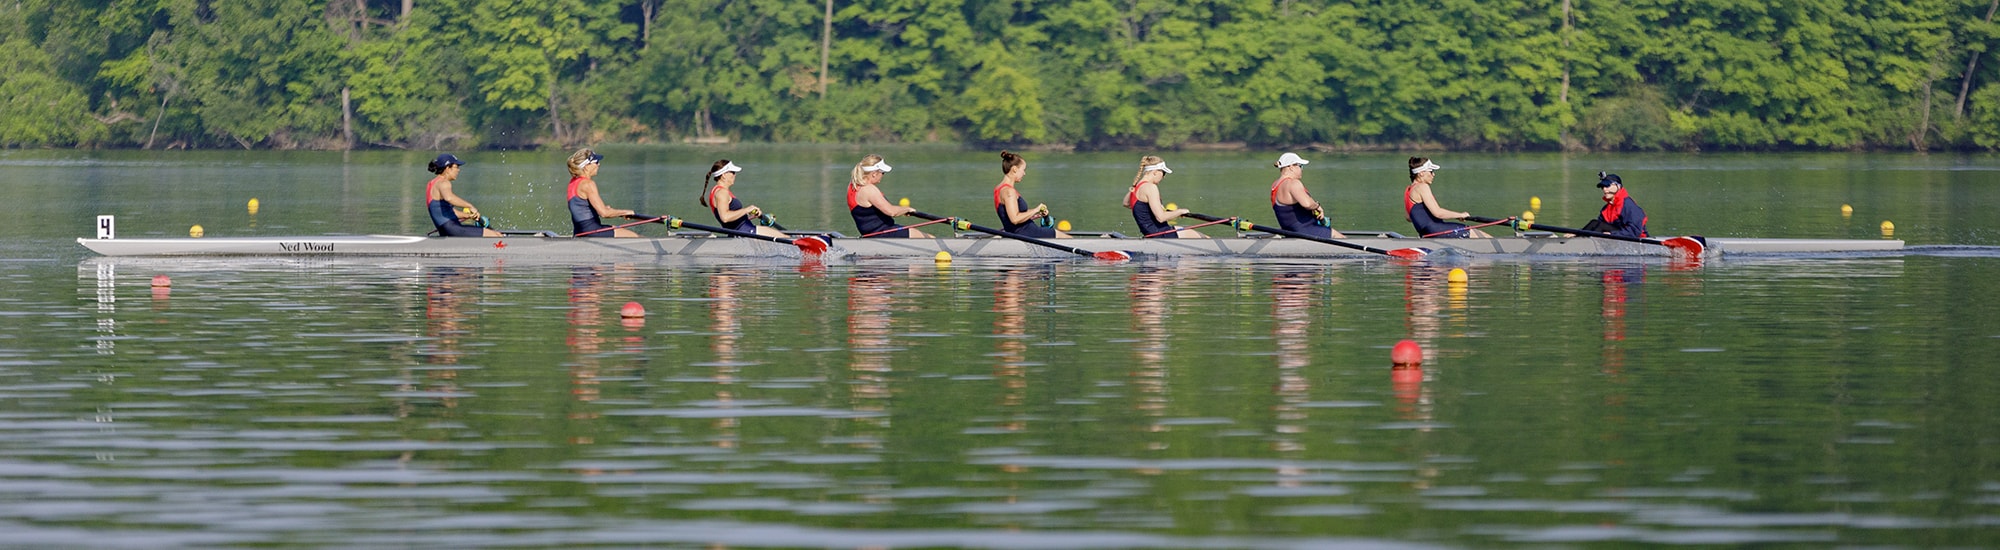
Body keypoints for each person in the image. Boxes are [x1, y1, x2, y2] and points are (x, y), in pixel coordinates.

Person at [1403, 156, 1491, 239]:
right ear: (1421, 173)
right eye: (1431, 171)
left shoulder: (1408, 190)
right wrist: (1460, 215)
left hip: (1425, 233)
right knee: (1482, 236)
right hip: (1437, 230)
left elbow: (1409, 217)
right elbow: (1438, 213)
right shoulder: (1422, 187)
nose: (1433, 175)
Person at [699, 160, 789, 239]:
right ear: (724, 175)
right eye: (733, 172)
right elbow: (725, 218)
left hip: (744, 229)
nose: (735, 175)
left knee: (785, 236)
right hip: (744, 232)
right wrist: (747, 209)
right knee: (786, 238)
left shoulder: (718, 191)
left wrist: (749, 216)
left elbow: (732, 220)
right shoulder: (721, 193)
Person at [847, 154, 931, 238]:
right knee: (929, 238)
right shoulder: (869, 190)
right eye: (882, 173)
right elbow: (891, 212)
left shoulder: (852, 186)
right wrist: (907, 209)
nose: (883, 176)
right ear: (874, 174)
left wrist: (902, 210)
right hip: (883, 233)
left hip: (871, 233)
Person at [1123, 155, 1205, 238]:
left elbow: (1126, 203)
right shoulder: (1151, 187)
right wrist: (1180, 212)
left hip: (1151, 233)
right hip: (1160, 234)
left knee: (1192, 232)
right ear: (1155, 172)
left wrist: (1171, 213)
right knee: (1204, 238)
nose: (1163, 177)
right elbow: (1161, 217)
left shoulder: (1136, 187)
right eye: (1163, 173)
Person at [1269, 152, 1345, 239]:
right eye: (1300, 166)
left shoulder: (1275, 185)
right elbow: (1308, 204)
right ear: (1291, 167)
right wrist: (1317, 206)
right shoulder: (1293, 183)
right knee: (1340, 237)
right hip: (1305, 231)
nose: (1302, 169)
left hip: (1290, 231)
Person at [423, 154, 502, 237]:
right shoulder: (443, 182)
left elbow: (447, 211)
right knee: (495, 235)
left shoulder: (432, 183)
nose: (458, 170)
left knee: (492, 233)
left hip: (446, 229)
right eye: (456, 167)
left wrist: (469, 216)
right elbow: (449, 198)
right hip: (452, 228)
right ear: (447, 168)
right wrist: (470, 206)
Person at [993, 150, 1068, 238]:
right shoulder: (1009, 191)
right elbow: (1015, 219)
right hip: (1026, 233)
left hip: (1019, 231)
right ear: (1014, 169)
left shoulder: (999, 188)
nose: (1024, 174)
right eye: (1023, 170)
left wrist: (1036, 214)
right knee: (1066, 238)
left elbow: (1013, 215)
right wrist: (1036, 209)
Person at [566, 148, 639, 238]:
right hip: (592, 231)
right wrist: (625, 212)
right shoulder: (588, 184)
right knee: (636, 237)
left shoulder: (573, 182)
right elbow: (604, 213)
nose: (599, 164)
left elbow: (581, 207)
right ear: (586, 166)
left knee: (619, 231)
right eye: (596, 162)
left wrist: (604, 208)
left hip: (579, 232)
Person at [1579, 172, 1648, 238]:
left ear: (1618, 186)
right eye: (1602, 187)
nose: (1604, 189)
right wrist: (1578, 233)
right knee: (1594, 223)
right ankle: (1578, 236)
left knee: (1599, 225)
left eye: (1607, 186)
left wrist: (1613, 234)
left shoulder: (1628, 205)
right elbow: (1595, 226)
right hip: (1617, 237)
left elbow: (1635, 230)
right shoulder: (1606, 208)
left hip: (1637, 239)